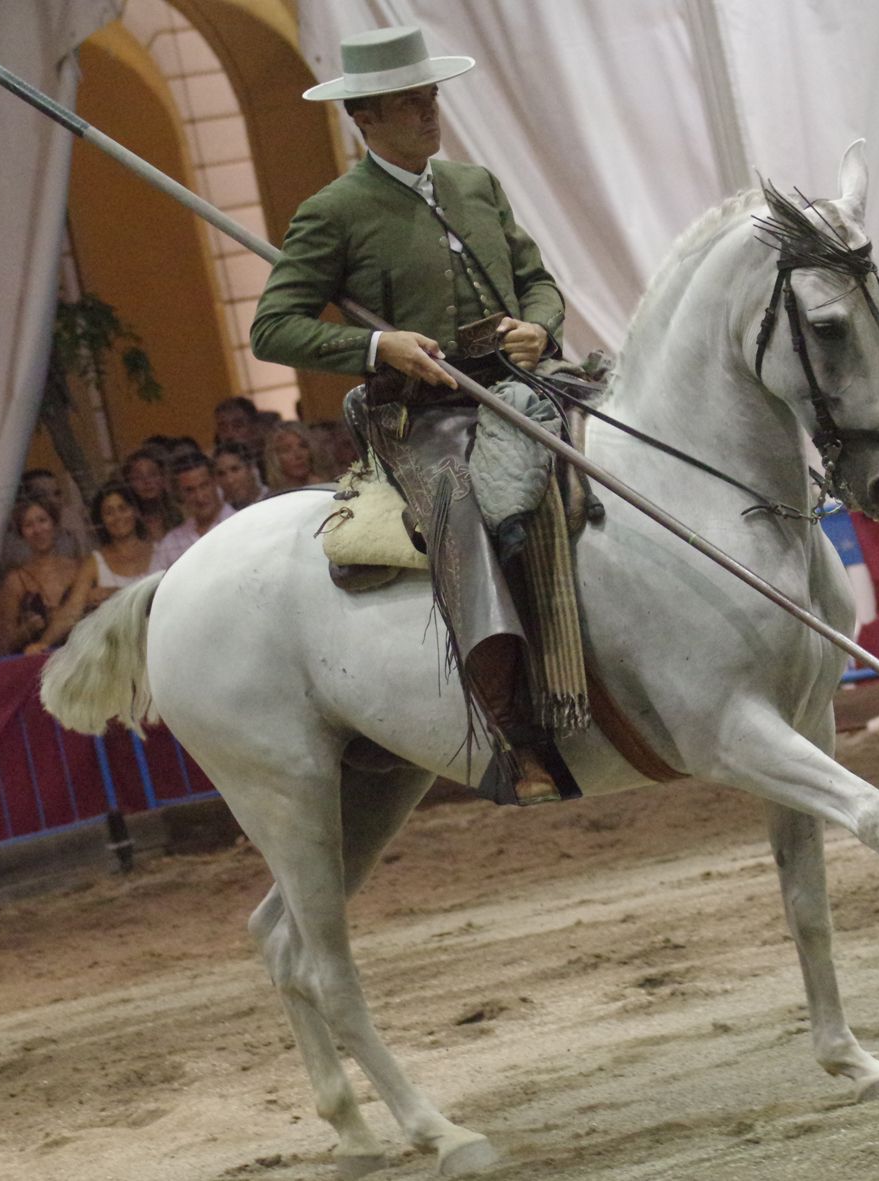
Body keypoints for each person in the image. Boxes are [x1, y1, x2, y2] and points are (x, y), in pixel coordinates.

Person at [249, 25, 568, 804]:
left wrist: (540, 325)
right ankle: (512, 728)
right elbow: (272, 327)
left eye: (431, 98)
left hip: (521, 387)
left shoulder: (477, 184)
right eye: (410, 104)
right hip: (419, 418)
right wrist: (377, 343)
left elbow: (539, 281)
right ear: (366, 116)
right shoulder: (334, 211)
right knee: (461, 507)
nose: (431, 114)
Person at [25, 482, 156, 654]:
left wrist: (115, 594)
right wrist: (43, 643)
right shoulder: (95, 562)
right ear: (101, 520)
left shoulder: (160, 549)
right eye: (109, 512)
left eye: (123, 508)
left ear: (135, 511)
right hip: (120, 652)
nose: (117, 517)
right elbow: (72, 610)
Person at [0, 495, 82, 656]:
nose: (37, 530)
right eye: (28, 525)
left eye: (42, 520)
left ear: (54, 524)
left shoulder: (79, 568)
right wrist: (26, 631)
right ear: (21, 533)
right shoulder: (16, 580)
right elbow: (2, 645)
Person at [151, 454, 237, 571]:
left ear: (215, 482)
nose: (199, 497)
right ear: (179, 493)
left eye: (204, 486)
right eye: (190, 490)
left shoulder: (241, 523)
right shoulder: (171, 542)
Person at [0, 468, 88, 570]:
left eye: (57, 493)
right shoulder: (14, 548)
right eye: (43, 495)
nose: (54, 500)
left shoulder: (68, 537)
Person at [122, 446, 180, 541]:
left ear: (163, 478)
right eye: (138, 477)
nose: (147, 481)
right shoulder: (125, 523)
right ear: (128, 483)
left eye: (152, 474)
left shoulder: (181, 516)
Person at [214, 440, 268, 509]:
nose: (229, 480)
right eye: (221, 474)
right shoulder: (225, 515)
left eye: (235, 469)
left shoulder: (274, 500)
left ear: (251, 468)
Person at [213, 396, 265, 460]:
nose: (229, 434)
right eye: (223, 428)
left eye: (237, 426)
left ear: (255, 428)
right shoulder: (214, 465)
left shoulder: (272, 459)